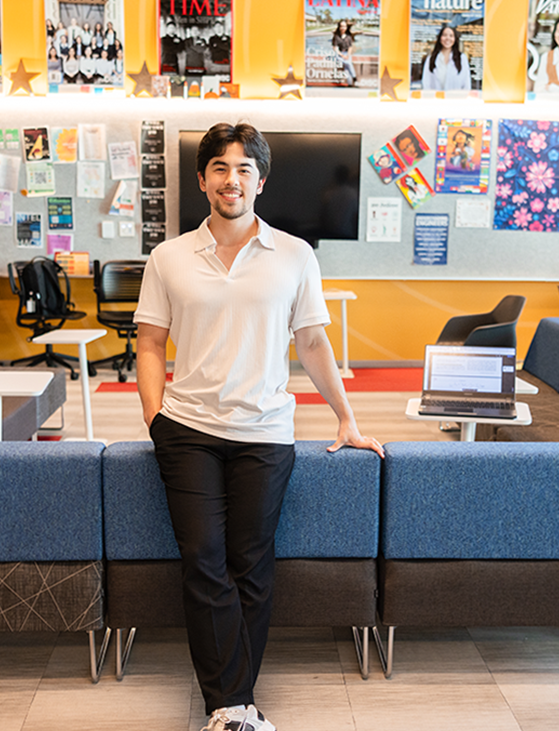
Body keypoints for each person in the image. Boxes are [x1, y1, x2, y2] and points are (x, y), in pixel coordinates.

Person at [135, 123, 384, 731]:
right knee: (202, 558)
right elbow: (149, 343)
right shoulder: (168, 257)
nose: (232, 179)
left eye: (245, 168)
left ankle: (230, 706)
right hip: (188, 428)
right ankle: (235, 707)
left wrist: (346, 418)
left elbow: (314, 343)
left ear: (261, 181)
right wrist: (155, 420)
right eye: (220, 167)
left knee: (251, 562)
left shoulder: (296, 255)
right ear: (202, 180)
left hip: (266, 432)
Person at [420, 24, 470, 92]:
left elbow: (466, 84)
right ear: (440, 38)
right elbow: (426, 83)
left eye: (451, 36)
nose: (447, 38)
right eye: (445, 35)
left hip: (456, 100)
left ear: (455, 39)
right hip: (435, 101)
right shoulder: (431, 59)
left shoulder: (462, 58)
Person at [331, 19, 356, 86]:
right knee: (348, 63)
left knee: (346, 69)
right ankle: (354, 78)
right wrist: (342, 55)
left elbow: (350, 47)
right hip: (339, 55)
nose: (343, 28)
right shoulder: (336, 37)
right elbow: (335, 48)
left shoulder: (349, 36)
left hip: (347, 54)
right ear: (339, 27)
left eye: (344, 26)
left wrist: (347, 55)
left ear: (346, 27)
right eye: (341, 26)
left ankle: (350, 83)